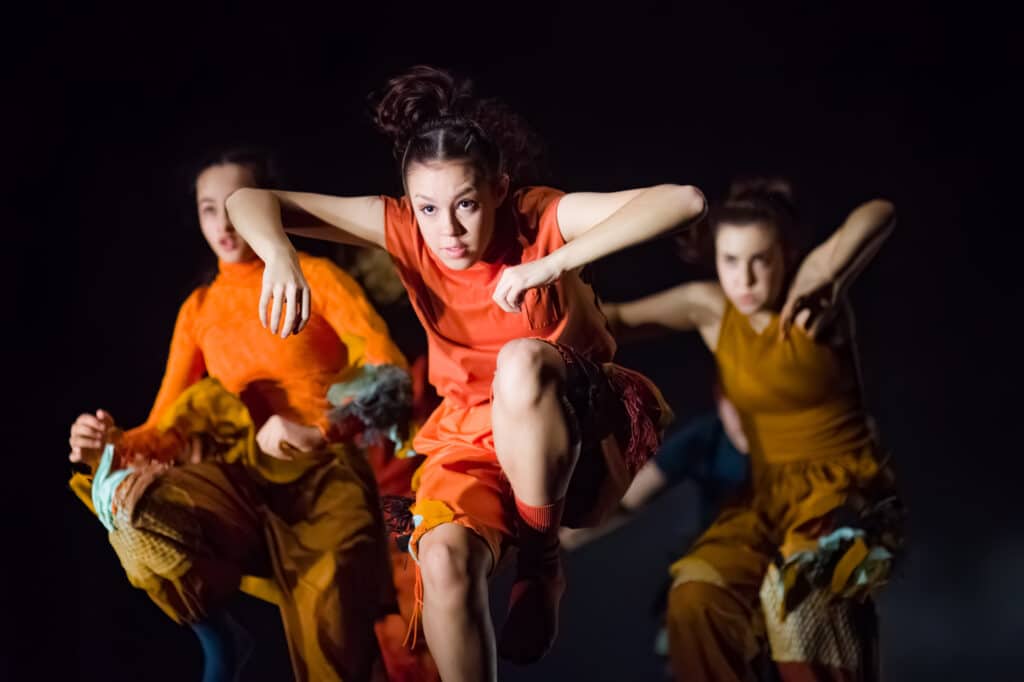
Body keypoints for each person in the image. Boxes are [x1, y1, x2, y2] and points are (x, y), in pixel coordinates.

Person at [224, 65, 705, 682]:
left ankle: (540, 564)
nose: (447, 230)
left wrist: (552, 264)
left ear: (499, 189)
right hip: (472, 437)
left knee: (520, 361)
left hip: (573, 425)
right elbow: (246, 201)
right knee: (444, 561)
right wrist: (279, 254)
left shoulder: (538, 216)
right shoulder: (405, 229)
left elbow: (684, 201)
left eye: (467, 205)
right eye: (428, 208)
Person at [68, 149, 415, 682]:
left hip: (325, 481)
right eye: (209, 209)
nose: (224, 223)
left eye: (235, 205)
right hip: (244, 483)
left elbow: (389, 372)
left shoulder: (317, 276)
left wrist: (321, 429)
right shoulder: (199, 310)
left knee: (332, 651)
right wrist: (106, 444)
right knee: (137, 506)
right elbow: (163, 426)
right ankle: (216, 636)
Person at [606, 177, 903, 681]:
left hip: (846, 495)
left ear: (787, 255)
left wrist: (833, 278)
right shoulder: (710, 308)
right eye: (730, 261)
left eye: (760, 261)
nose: (744, 279)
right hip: (766, 500)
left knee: (801, 598)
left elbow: (878, 210)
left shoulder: (811, 296)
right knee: (694, 595)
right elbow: (612, 320)